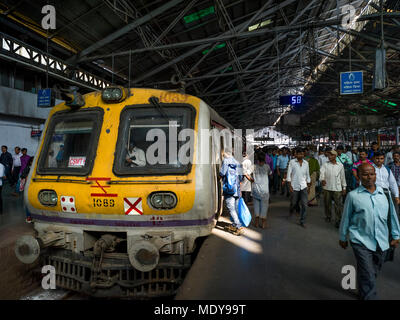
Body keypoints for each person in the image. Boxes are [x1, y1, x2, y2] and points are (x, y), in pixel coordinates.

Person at [339, 163, 400, 300]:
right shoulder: (353, 196)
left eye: (371, 174)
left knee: (372, 271)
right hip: (360, 240)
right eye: (365, 174)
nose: (369, 177)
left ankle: (364, 290)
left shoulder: (385, 194)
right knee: (367, 272)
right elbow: (346, 218)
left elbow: (392, 217)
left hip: (381, 240)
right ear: (359, 176)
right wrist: (343, 237)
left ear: (375, 175)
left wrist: (396, 235)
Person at [219, 149, 244, 236]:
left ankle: (238, 226)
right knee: (236, 208)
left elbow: (222, 173)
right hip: (237, 189)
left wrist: (219, 178)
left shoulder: (226, 161)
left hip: (229, 189)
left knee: (231, 208)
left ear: (225, 154)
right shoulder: (238, 162)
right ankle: (234, 224)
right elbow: (241, 178)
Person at [320, 150, 346, 228]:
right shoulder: (325, 165)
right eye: (328, 155)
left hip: (337, 188)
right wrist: (322, 179)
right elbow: (322, 173)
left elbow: (342, 177)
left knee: (338, 205)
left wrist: (344, 187)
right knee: (327, 203)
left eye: (331, 155)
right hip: (327, 187)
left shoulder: (340, 165)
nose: (329, 157)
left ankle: (338, 220)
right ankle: (328, 216)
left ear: (335, 156)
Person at [286, 147, 311, 228]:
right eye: (298, 153)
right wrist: (290, 186)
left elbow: (307, 175)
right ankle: (291, 210)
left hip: (303, 186)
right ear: (295, 154)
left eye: (301, 153)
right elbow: (288, 175)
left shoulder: (306, 163)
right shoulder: (292, 162)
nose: (300, 155)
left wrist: (309, 186)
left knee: (304, 204)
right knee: (293, 203)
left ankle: (302, 221)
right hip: (294, 186)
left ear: (303, 154)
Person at [248, 152, 272, 229]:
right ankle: (263, 223)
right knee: (264, 207)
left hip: (255, 190)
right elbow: (270, 173)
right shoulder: (267, 167)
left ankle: (257, 222)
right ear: (264, 159)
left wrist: (251, 179)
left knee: (256, 206)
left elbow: (245, 173)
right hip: (264, 191)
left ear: (257, 159)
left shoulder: (253, 167)